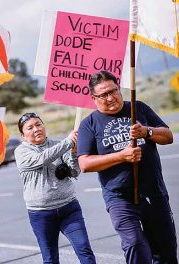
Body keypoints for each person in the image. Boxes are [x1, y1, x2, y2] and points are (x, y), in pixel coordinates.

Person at [77, 70, 177, 264]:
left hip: (154, 193)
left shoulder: (138, 108)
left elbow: (168, 136)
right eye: (103, 94)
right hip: (120, 199)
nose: (110, 97)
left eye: (113, 90)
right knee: (135, 244)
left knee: (166, 251)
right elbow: (84, 163)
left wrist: (146, 132)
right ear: (93, 98)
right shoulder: (89, 124)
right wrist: (121, 156)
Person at [14, 112, 96, 264]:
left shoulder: (58, 145)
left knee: (84, 249)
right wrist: (67, 143)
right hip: (41, 214)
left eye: (38, 125)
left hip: (69, 208)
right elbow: (41, 159)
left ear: (44, 126)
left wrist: (73, 152)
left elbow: (74, 171)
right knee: (50, 259)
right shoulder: (21, 152)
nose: (36, 129)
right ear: (23, 135)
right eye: (30, 128)